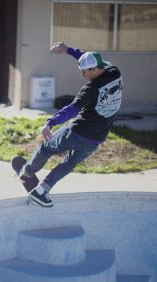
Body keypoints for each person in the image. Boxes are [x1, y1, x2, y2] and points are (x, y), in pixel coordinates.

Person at [20, 42, 123, 207]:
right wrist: (68, 50)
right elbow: (86, 57)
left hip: (76, 133)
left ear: (94, 70)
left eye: (84, 72)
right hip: (96, 139)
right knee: (68, 164)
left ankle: (27, 171)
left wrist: (50, 122)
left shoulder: (90, 90)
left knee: (47, 147)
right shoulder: (114, 71)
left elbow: (71, 110)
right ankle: (41, 191)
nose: (83, 75)